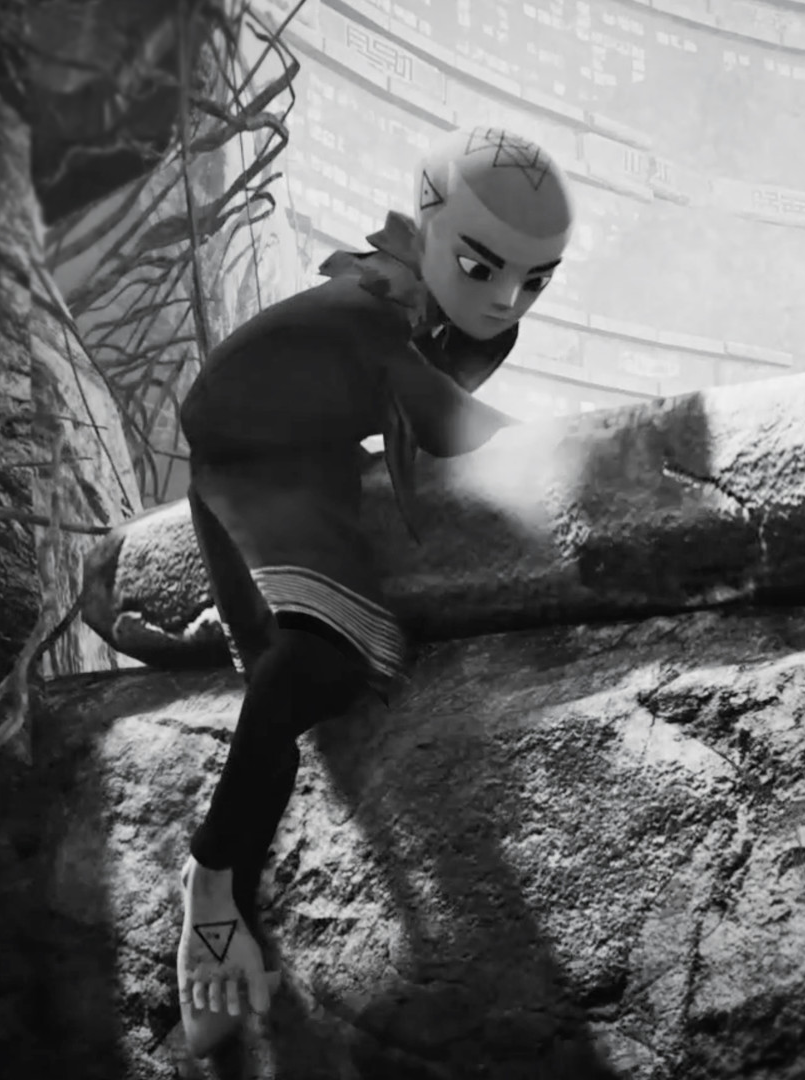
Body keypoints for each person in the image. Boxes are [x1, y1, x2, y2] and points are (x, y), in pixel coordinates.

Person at [171, 126, 574, 1055]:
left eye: (535, 280)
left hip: (310, 460)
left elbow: (416, 406)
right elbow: (446, 423)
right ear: (425, 228)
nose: (506, 299)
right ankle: (211, 880)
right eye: (481, 266)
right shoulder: (370, 313)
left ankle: (222, 882)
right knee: (319, 664)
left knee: (299, 677)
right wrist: (593, 453)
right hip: (247, 465)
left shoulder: (461, 324)